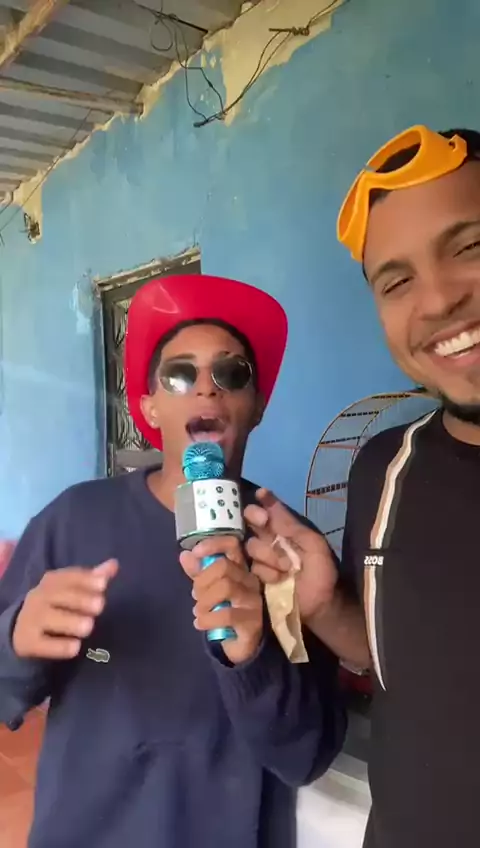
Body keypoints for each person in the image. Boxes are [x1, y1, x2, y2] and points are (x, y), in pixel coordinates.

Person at [0, 273, 346, 848]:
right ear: (150, 408)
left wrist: (252, 657)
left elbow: (305, 755)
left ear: (256, 407)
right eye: (180, 374)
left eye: (232, 374)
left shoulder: (291, 552)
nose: (206, 388)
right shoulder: (73, 520)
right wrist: (17, 639)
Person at [247, 125, 480, 848]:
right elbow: (403, 662)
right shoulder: (384, 468)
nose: (437, 300)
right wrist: (324, 606)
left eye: (470, 246)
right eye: (396, 281)